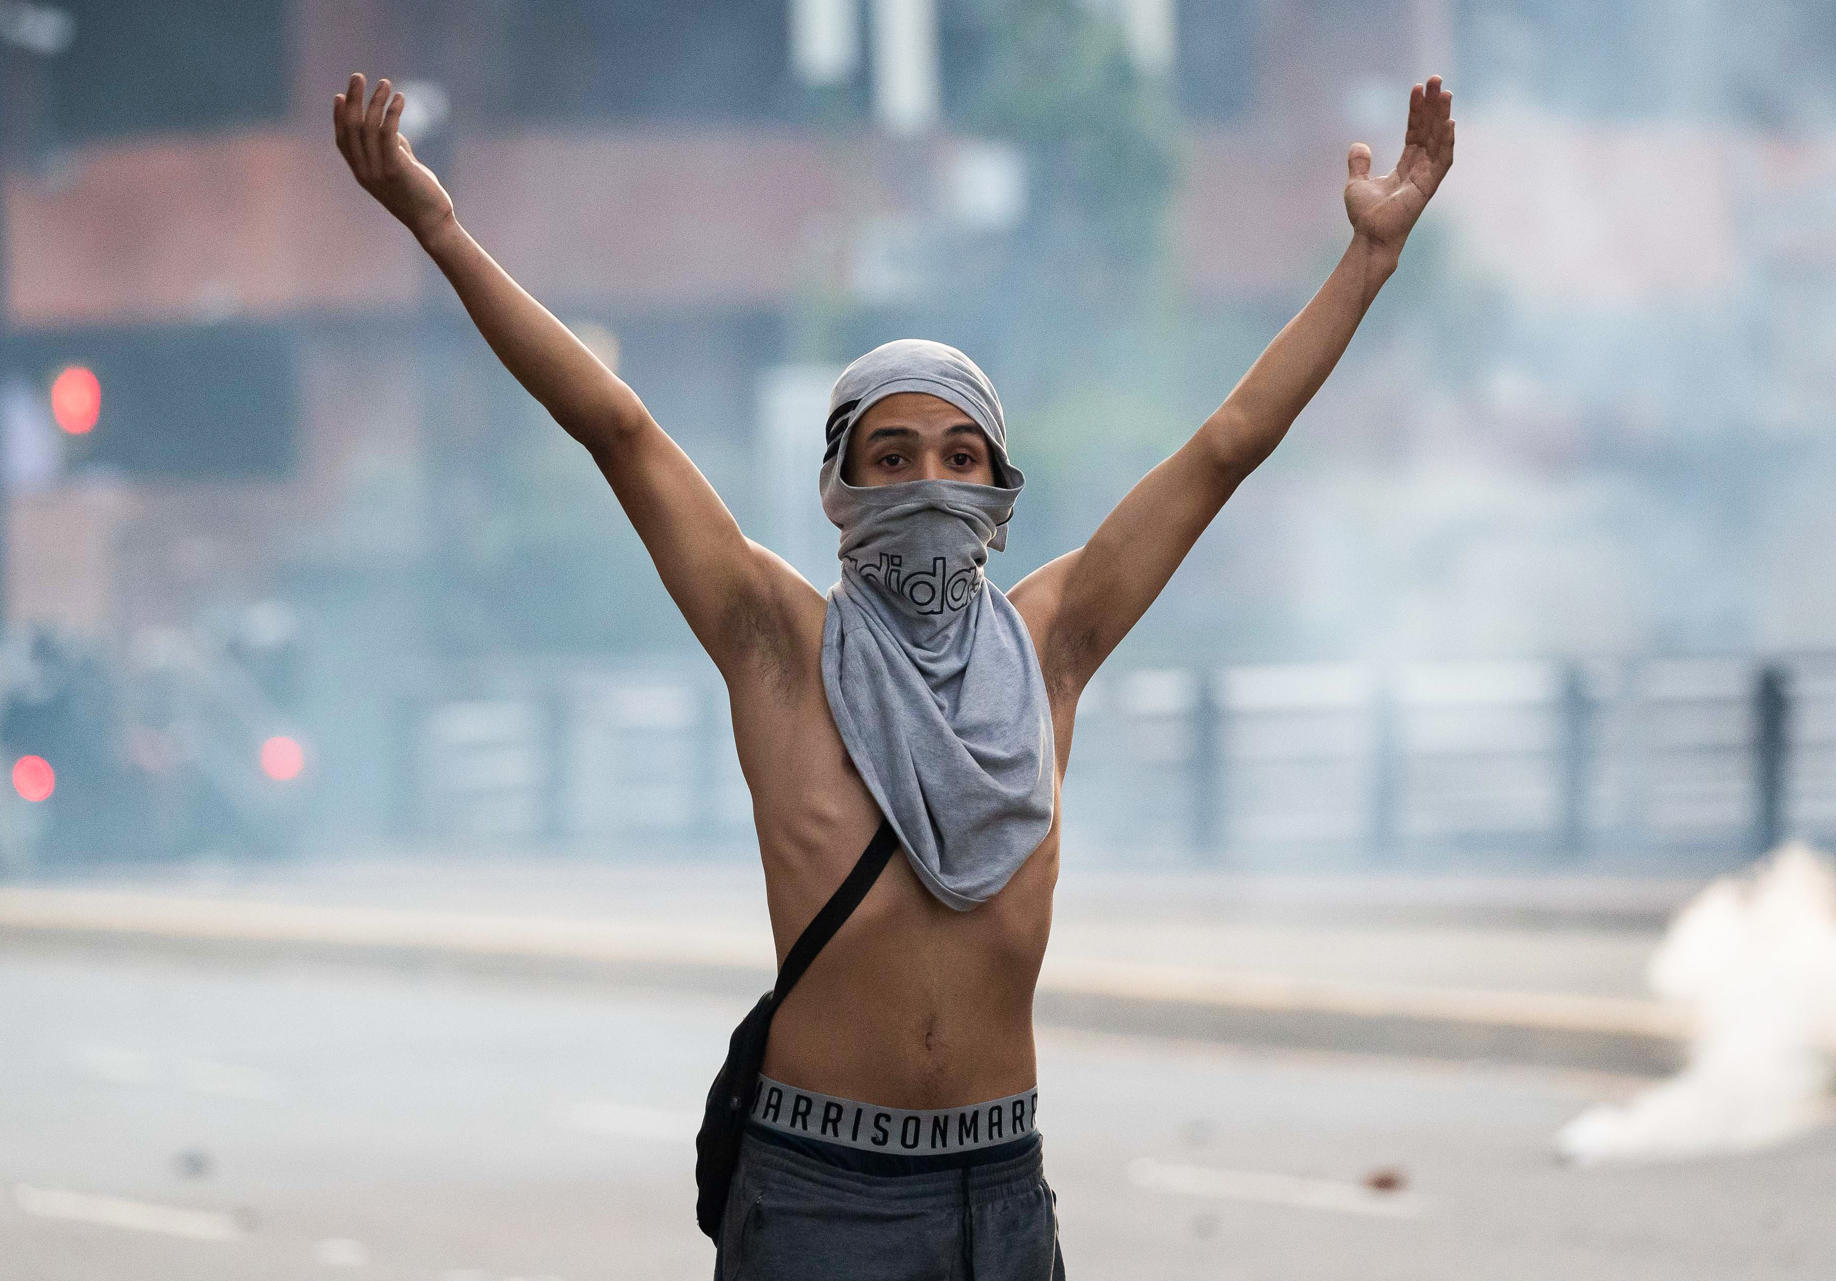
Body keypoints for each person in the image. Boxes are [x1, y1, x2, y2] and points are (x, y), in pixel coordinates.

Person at [332, 68, 1454, 1280]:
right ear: (842, 488)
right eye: (896, 452)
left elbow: (1230, 445)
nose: (933, 478)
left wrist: (1368, 263)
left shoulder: (1051, 645)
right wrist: (436, 229)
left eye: (962, 455)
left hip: (1001, 1194)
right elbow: (619, 428)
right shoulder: (776, 642)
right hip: (822, 1203)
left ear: (999, 495)